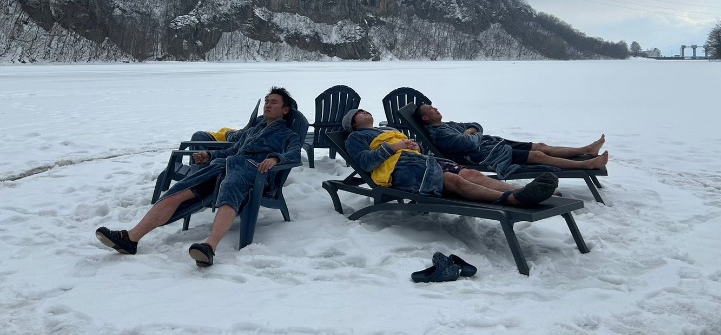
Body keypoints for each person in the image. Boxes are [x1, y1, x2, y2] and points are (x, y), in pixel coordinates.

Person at [95, 87, 301, 268]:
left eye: (274, 102)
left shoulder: (286, 134)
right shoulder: (253, 130)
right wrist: (210, 155)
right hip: (223, 168)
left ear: (285, 110)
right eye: (266, 101)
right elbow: (233, 151)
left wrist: (275, 158)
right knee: (180, 191)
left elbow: (294, 153)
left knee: (230, 186)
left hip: (254, 175)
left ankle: (209, 247)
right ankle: (131, 238)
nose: (267, 105)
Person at [341, 109, 559, 207]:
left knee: (471, 173)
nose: (366, 112)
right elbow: (366, 162)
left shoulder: (383, 130)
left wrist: (411, 145)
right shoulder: (355, 138)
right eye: (360, 113)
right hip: (403, 171)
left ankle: (521, 192)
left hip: (420, 161)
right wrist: (395, 146)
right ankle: (511, 200)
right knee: (454, 181)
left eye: (366, 110)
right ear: (353, 124)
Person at [413, 103, 608, 179]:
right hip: (486, 154)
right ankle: (587, 164)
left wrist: (472, 131)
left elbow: (475, 125)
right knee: (538, 155)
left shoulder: (450, 124)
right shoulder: (440, 134)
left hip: (492, 143)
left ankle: (587, 149)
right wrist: (473, 135)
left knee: (541, 146)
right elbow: (470, 144)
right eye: (431, 109)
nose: (436, 108)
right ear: (426, 119)